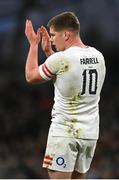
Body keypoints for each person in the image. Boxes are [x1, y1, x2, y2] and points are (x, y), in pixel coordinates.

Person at [25, 12, 106, 179]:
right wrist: (49, 53)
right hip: (89, 134)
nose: (52, 40)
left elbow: (31, 76)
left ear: (66, 34)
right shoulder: (98, 56)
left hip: (65, 133)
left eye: (54, 35)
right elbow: (69, 72)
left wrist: (34, 44)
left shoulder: (62, 59)